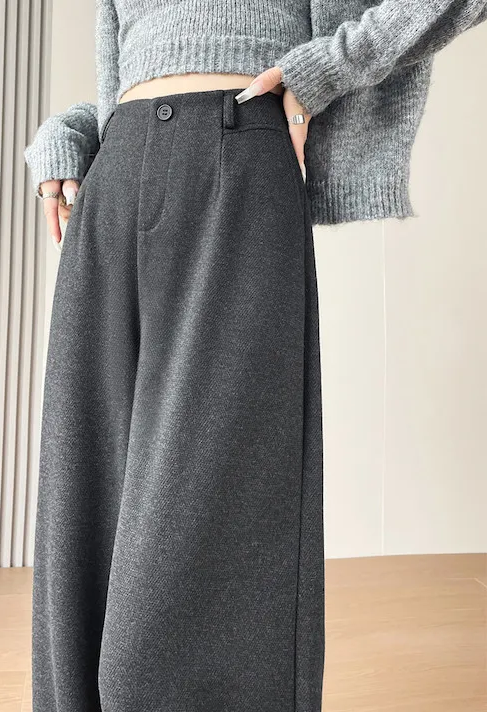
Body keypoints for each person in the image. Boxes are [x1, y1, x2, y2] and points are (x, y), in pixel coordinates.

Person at [24, 2, 487, 711]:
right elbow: (124, 89)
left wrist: (328, 67)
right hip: (113, 182)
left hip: (240, 161)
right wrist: (69, 132)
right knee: (82, 480)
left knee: (211, 484)